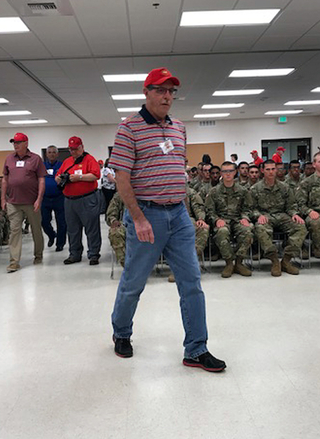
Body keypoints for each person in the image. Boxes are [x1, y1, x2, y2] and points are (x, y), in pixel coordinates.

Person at [108, 67, 225, 372]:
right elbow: (122, 178)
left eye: (171, 91)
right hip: (146, 215)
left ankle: (196, 349)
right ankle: (121, 332)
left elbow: (175, 170)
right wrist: (138, 218)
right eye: (160, 90)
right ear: (146, 93)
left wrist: (184, 210)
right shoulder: (129, 129)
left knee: (192, 284)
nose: (167, 96)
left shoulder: (179, 128)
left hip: (179, 215)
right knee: (134, 281)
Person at [250, 160, 306, 276]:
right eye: (268, 169)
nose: (271, 172)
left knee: (300, 227)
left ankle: (286, 260)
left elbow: (291, 205)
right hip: (265, 216)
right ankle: (275, 260)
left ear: (276, 170)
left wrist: (294, 214)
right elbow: (251, 208)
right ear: (262, 171)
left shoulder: (284, 187)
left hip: (282, 215)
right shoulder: (255, 189)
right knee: (260, 228)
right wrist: (258, 215)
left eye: (273, 169)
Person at [1, 132, 47, 273]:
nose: (16, 145)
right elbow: (4, 179)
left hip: (31, 202)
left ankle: (38, 255)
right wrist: (3, 198)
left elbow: (41, 180)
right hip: (13, 202)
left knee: (36, 230)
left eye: (18, 142)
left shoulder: (35, 159)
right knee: (14, 231)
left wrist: (39, 199)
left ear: (26, 143)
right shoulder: (9, 159)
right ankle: (14, 262)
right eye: (14, 142)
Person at [55, 136, 101, 265]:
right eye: (71, 149)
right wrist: (59, 179)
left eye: (75, 149)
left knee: (91, 228)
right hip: (70, 200)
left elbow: (96, 175)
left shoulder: (89, 159)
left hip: (87, 199)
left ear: (82, 147)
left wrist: (79, 177)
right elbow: (58, 175)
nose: (73, 152)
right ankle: (74, 254)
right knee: (72, 229)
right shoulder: (67, 161)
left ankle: (93, 254)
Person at [205, 161, 254, 278]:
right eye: (225, 171)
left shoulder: (242, 191)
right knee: (222, 232)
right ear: (221, 173)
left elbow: (248, 208)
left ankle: (238, 263)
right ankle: (228, 263)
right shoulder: (214, 191)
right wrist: (216, 220)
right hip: (222, 220)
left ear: (235, 172)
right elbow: (209, 211)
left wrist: (245, 218)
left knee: (247, 231)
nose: (228, 174)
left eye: (230, 171)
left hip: (237, 220)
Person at [41, 145, 66, 252]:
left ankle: (60, 243)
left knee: (62, 222)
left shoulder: (62, 165)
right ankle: (52, 235)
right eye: (49, 152)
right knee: (44, 221)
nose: (51, 154)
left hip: (59, 197)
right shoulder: (42, 166)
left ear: (57, 154)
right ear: (46, 154)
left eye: (53, 152)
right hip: (45, 197)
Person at [106, 192, 126, 267]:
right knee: (115, 233)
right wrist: (113, 221)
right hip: (126, 224)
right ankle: (127, 264)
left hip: (151, 224)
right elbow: (110, 214)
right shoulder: (120, 194)